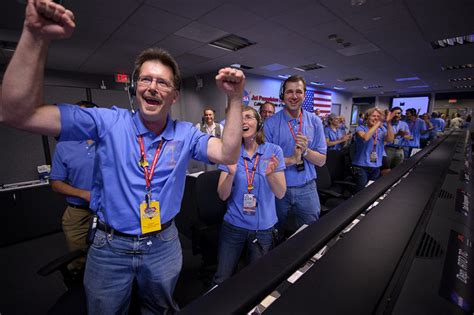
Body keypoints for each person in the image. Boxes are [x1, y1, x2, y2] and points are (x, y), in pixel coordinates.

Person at [0, 1, 245, 313]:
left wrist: (235, 98)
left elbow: (228, 152)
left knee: (158, 309)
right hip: (109, 245)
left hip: (163, 243)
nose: (152, 87)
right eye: (146, 79)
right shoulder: (106, 122)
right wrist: (34, 36)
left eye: (163, 82)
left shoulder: (186, 134)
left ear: (174, 95)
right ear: (134, 87)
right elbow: (17, 113)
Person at [212, 106, 286, 285]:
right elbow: (223, 195)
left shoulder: (274, 151)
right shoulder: (231, 153)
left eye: (248, 117)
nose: (243, 122)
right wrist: (230, 173)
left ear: (259, 123)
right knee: (222, 278)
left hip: (263, 229)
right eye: (239, 119)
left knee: (258, 280)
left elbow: (281, 193)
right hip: (234, 226)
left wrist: (270, 175)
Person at [264, 75, 327, 239]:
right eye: (289, 92)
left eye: (298, 92)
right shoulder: (270, 124)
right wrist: (292, 159)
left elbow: (321, 161)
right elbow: (266, 163)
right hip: (278, 189)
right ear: (283, 95)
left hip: (307, 188)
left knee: (310, 233)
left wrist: (305, 151)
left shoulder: (315, 122)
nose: (294, 96)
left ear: (304, 95)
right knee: (274, 231)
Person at [50, 100, 98, 276]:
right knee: (78, 261)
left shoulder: (109, 143)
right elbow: (56, 183)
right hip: (78, 213)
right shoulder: (64, 146)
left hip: (107, 210)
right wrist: (83, 194)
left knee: (110, 256)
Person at [352, 107, 394, 192]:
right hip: (361, 167)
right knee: (361, 192)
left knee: (371, 191)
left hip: (376, 166)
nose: (376, 118)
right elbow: (366, 137)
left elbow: (390, 139)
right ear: (367, 117)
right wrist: (378, 123)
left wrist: (389, 123)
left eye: (378, 116)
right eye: (373, 116)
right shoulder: (360, 128)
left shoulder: (382, 129)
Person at [381, 107, 411, 173]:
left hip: (400, 150)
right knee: (386, 170)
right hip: (389, 149)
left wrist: (405, 136)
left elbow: (409, 137)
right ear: (391, 114)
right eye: (395, 113)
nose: (397, 115)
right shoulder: (385, 124)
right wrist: (397, 134)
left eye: (399, 113)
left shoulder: (404, 124)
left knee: (397, 170)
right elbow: (387, 138)